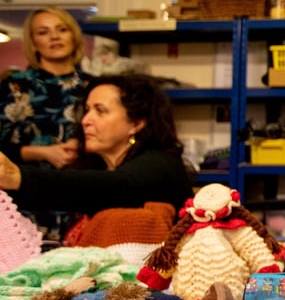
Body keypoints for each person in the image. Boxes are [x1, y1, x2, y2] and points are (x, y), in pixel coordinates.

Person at [0, 73, 195, 221]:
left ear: (136, 123)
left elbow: (111, 187)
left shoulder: (160, 165)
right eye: (86, 111)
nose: (86, 120)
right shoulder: (95, 165)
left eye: (100, 111)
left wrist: (19, 177)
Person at [0, 7, 90, 238]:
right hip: (24, 197)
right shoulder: (13, 86)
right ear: (32, 41)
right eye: (43, 31)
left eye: (62, 29)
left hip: (81, 194)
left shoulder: (95, 87)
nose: (54, 37)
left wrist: (82, 149)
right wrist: (43, 153)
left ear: (74, 35)